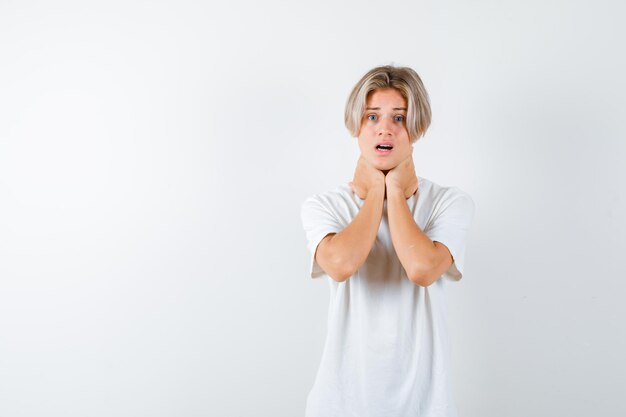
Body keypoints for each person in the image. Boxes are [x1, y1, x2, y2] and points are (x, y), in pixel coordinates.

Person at [300, 65, 476, 417]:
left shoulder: (450, 202)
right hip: (340, 404)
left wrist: (392, 190)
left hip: (426, 405)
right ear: (356, 126)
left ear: (418, 128)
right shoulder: (324, 205)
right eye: (372, 117)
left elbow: (423, 269)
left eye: (399, 117)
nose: (385, 128)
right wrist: (373, 194)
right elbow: (340, 264)